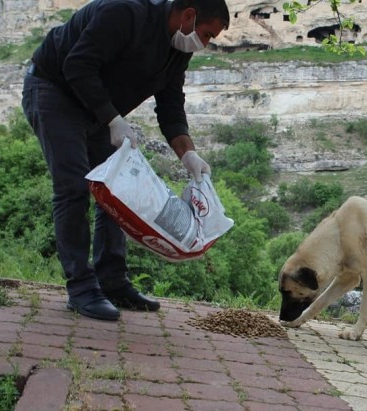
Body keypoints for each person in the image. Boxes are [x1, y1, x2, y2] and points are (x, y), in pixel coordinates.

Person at [21, 0, 230, 321]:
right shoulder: (125, 13)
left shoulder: (179, 51)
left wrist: (188, 154)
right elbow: (77, 65)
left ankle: (112, 281)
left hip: (98, 110)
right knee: (74, 187)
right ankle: (81, 288)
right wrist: (113, 120)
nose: (205, 44)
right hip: (53, 90)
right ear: (188, 15)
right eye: (206, 34)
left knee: (118, 190)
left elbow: (171, 107)